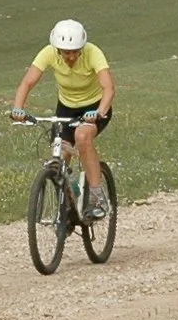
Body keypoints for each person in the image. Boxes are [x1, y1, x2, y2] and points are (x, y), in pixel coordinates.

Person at [8, 19, 115, 218]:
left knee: (82, 137)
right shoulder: (48, 53)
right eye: (66, 52)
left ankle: (97, 196)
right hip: (66, 108)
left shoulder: (93, 53)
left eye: (76, 52)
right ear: (57, 50)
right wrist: (18, 108)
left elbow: (108, 87)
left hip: (95, 107)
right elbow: (27, 83)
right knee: (60, 154)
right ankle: (67, 209)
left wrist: (99, 112)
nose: (71, 56)